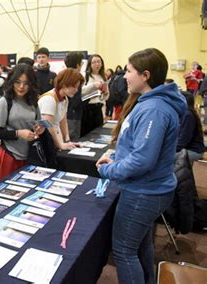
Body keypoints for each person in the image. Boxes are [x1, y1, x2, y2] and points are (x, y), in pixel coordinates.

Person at [96, 48, 187, 284]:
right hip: (150, 189)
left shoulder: (154, 109)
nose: (124, 76)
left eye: (129, 71)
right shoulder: (151, 104)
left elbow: (142, 160)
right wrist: (117, 161)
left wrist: (109, 170)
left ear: (145, 75)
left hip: (144, 192)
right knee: (140, 244)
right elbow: (141, 150)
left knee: (124, 251)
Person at [0, 64, 44, 181]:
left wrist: (39, 129)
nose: (21, 87)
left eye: (26, 83)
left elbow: (37, 123)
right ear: (11, 82)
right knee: (7, 191)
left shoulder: (33, 102)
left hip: (29, 154)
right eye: (17, 82)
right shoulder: (4, 102)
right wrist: (18, 133)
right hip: (9, 155)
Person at [38, 68, 85, 150]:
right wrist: (60, 145)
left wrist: (67, 140)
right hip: (45, 143)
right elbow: (48, 127)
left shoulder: (64, 99)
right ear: (64, 84)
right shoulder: (49, 99)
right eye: (75, 87)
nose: (76, 90)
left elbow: (63, 121)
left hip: (56, 139)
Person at [81, 54, 109, 136]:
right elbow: (80, 91)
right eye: (94, 62)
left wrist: (105, 92)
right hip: (87, 108)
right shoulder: (85, 76)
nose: (97, 64)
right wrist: (93, 86)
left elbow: (105, 98)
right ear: (90, 64)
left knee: (98, 132)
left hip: (98, 107)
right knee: (86, 133)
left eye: (98, 62)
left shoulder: (103, 77)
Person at [176, 91, 205, 164]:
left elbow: (184, 139)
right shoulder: (187, 113)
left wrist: (170, 150)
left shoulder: (187, 115)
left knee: (165, 158)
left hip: (193, 150)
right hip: (189, 148)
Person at [64, 51, 86, 140]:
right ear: (77, 64)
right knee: (72, 139)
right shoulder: (76, 77)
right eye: (81, 63)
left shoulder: (64, 75)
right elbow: (75, 101)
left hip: (65, 114)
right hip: (73, 115)